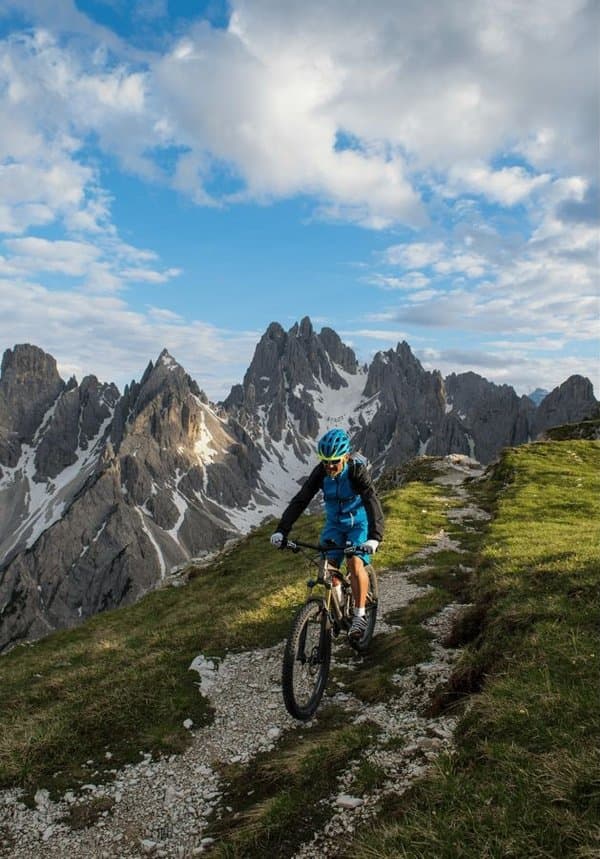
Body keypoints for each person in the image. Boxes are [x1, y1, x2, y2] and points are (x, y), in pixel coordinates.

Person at [270, 427, 384, 639]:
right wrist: (282, 531)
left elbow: (371, 500)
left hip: (358, 524)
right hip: (334, 524)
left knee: (354, 562)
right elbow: (301, 500)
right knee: (328, 569)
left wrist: (374, 538)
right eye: (325, 461)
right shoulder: (321, 472)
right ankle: (339, 608)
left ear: (346, 457)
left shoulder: (357, 471)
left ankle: (359, 615)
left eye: (335, 461)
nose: (330, 466)